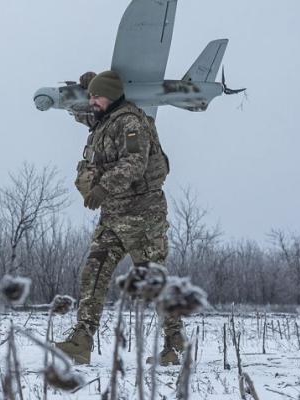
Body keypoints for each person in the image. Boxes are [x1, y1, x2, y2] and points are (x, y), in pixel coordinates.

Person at [54, 70, 183, 365]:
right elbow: (84, 113)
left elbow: (135, 163)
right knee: (94, 273)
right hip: (113, 215)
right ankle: (81, 341)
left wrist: (101, 188)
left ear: (111, 96)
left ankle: (175, 346)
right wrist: (85, 88)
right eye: (91, 97)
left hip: (142, 215)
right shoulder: (105, 120)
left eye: (97, 97)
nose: (92, 102)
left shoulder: (130, 122)